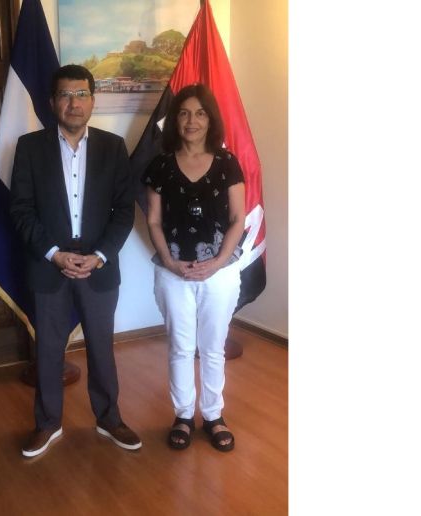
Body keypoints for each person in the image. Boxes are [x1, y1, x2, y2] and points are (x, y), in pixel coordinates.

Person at [10, 64, 140, 458]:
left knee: (101, 347)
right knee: (49, 350)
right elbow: (20, 210)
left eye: (81, 94)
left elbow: (124, 211)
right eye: (65, 95)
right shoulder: (29, 147)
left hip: (98, 265)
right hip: (49, 264)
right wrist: (54, 253)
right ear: (53, 102)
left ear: (93, 100)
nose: (74, 103)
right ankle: (47, 424)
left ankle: (109, 418)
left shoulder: (113, 147)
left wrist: (99, 256)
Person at [142, 84, 246, 452]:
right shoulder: (160, 166)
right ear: (175, 120)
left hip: (220, 272)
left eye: (200, 113)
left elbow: (238, 219)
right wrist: (170, 261)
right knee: (181, 348)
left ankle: (213, 415)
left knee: (213, 348)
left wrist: (217, 262)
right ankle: (184, 415)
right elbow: (154, 221)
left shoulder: (227, 163)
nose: (192, 121)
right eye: (184, 113)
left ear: (210, 119)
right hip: (174, 272)